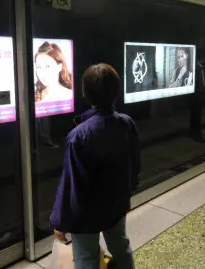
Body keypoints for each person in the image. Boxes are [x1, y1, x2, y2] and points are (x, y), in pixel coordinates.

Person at [51, 64, 139, 269]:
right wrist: (127, 194)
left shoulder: (78, 136)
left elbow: (71, 185)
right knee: (120, 246)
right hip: (116, 205)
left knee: (86, 259)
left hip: (86, 215)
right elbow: (134, 164)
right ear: (116, 93)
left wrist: (60, 221)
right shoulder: (127, 123)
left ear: (85, 94)